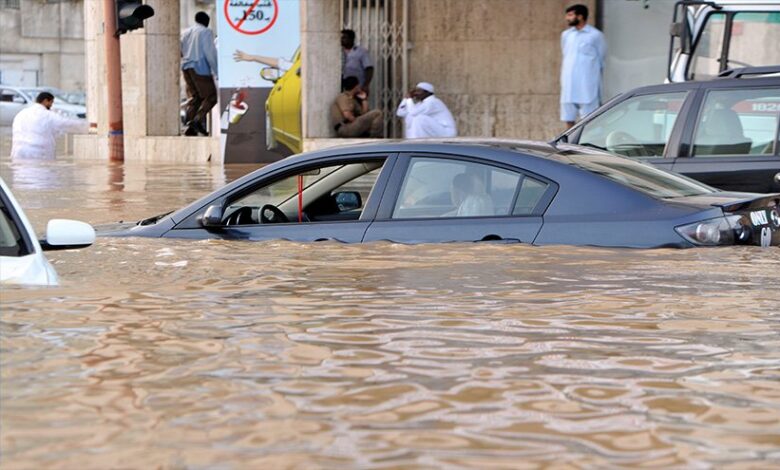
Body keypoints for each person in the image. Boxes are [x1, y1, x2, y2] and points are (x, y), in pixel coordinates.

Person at [560, 4, 606, 130]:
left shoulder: (595, 35)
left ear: (580, 16)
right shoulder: (566, 35)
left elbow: (601, 59)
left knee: (590, 118)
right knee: (568, 117)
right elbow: (566, 55)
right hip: (569, 85)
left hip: (587, 85)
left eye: (570, 15)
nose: (567, 18)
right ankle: (569, 145)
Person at [11, 92, 87, 161]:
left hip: (18, 153)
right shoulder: (47, 115)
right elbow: (65, 123)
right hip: (38, 154)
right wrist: (88, 126)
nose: (51, 105)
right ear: (45, 101)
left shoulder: (21, 113)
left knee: (22, 175)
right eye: (51, 102)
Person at [181, 12, 218, 136]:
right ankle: (197, 120)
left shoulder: (186, 32)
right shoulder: (206, 32)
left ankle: (190, 127)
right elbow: (210, 53)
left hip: (186, 67)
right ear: (206, 21)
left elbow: (180, 49)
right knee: (211, 96)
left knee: (196, 97)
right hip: (199, 68)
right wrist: (217, 71)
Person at [341, 29, 374, 93]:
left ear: (351, 39)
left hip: (357, 88)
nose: (341, 40)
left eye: (344, 38)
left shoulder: (361, 52)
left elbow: (369, 68)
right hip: (342, 88)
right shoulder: (338, 52)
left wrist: (366, 85)